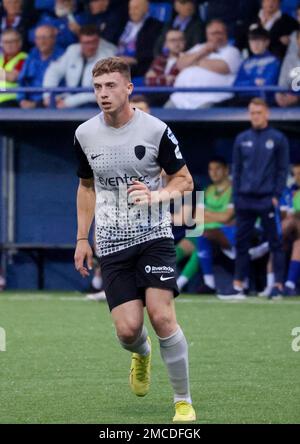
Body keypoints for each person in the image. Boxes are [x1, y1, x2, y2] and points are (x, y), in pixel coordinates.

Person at [74, 56, 196, 422]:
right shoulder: (84, 134)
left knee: (161, 317)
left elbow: (185, 181)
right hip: (111, 243)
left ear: (129, 88)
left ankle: (182, 401)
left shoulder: (156, 129)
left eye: (111, 86)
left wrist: (157, 196)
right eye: (97, 87)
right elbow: (85, 187)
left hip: (154, 235)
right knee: (129, 330)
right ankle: (140, 355)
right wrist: (82, 238)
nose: (103, 94)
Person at [218, 98, 289, 300]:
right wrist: (236, 196)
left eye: (258, 112)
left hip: (267, 199)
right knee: (241, 243)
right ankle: (238, 285)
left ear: (267, 114)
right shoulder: (242, 138)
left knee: (275, 243)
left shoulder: (278, 138)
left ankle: (277, 285)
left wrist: (276, 196)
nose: (255, 116)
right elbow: (237, 170)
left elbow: (282, 170)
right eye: (252, 112)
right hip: (245, 200)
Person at [167, 19, 242, 109]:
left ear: (226, 34)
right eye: (213, 33)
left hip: (211, 98)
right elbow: (180, 64)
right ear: (207, 35)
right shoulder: (199, 47)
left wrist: (194, 61)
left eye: (219, 33)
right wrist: (202, 52)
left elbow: (223, 67)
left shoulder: (232, 51)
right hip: (180, 98)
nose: (217, 36)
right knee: (160, 118)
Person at [43, 24, 117, 108]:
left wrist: (68, 102)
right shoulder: (72, 50)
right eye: (87, 43)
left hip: (95, 105)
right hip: (68, 99)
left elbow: (101, 93)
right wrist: (48, 96)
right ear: (80, 42)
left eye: (94, 42)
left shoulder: (107, 57)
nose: (91, 46)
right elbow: (54, 71)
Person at [232, 25, 280, 105]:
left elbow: (267, 85)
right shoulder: (246, 62)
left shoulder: (274, 62)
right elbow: (235, 86)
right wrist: (253, 82)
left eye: (259, 41)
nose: (255, 44)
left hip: (264, 103)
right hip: (243, 101)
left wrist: (246, 85)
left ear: (267, 42)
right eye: (252, 41)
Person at [18, 24, 64, 108]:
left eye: (45, 38)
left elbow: (64, 86)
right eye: (38, 38)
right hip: (29, 103)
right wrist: (22, 99)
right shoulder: (32, 55)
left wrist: (37, 104)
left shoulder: (63, 56)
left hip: (53, 104)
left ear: (53, 39)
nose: (41, 42)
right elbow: (22, 81)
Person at [116, 0, 163, 77]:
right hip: (120, 62)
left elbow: (151, 52)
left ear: (146, 9)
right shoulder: (125, 24)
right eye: (130, 8)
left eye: (136, 8)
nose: (132, 12)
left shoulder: (155, 26)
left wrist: (133, 60)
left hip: (138, 66)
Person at [0, 28, 27, 107]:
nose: (9, 45)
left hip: (11, 100)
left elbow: (12, 77)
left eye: (12, 41)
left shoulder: (23, 58)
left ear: (19, 43)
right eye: (6, 42)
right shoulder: (1, 58)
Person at [275, 29, 300, 108]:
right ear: (297, 41)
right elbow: (282, 83)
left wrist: (297, 97)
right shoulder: (289, 59)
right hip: (290, 102)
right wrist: (279, 95)